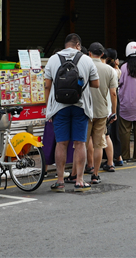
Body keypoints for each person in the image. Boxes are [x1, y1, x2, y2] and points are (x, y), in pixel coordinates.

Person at [43, 33, 99, 191]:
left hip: (59, 107)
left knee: (61, 143)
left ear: (65, 45)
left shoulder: (53, 59)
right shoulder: (87, 60)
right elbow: (96, 83)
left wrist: (49, 108)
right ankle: (80, 180)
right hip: (81, 107)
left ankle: (60, 181)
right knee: (80, 143)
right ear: (78, 45)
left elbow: (47, 85)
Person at [86, 42, 117, 184]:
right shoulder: (109, 70)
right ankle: (95, 175)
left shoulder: (84, 67)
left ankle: (84, 170)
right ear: (103, 54)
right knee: (99, 144)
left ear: (89, 53)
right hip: (102, 111)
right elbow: (113, 93)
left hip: (85, 110)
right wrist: (114, 112)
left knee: (83, 143)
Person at [105, 48, 123, 167]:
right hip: (116, 102)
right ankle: (118, 157)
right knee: (114, 132)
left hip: (110, 102)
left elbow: (112, 92)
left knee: (107, 133)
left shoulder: (109, 70)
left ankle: (110, 159)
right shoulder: (117, 70)